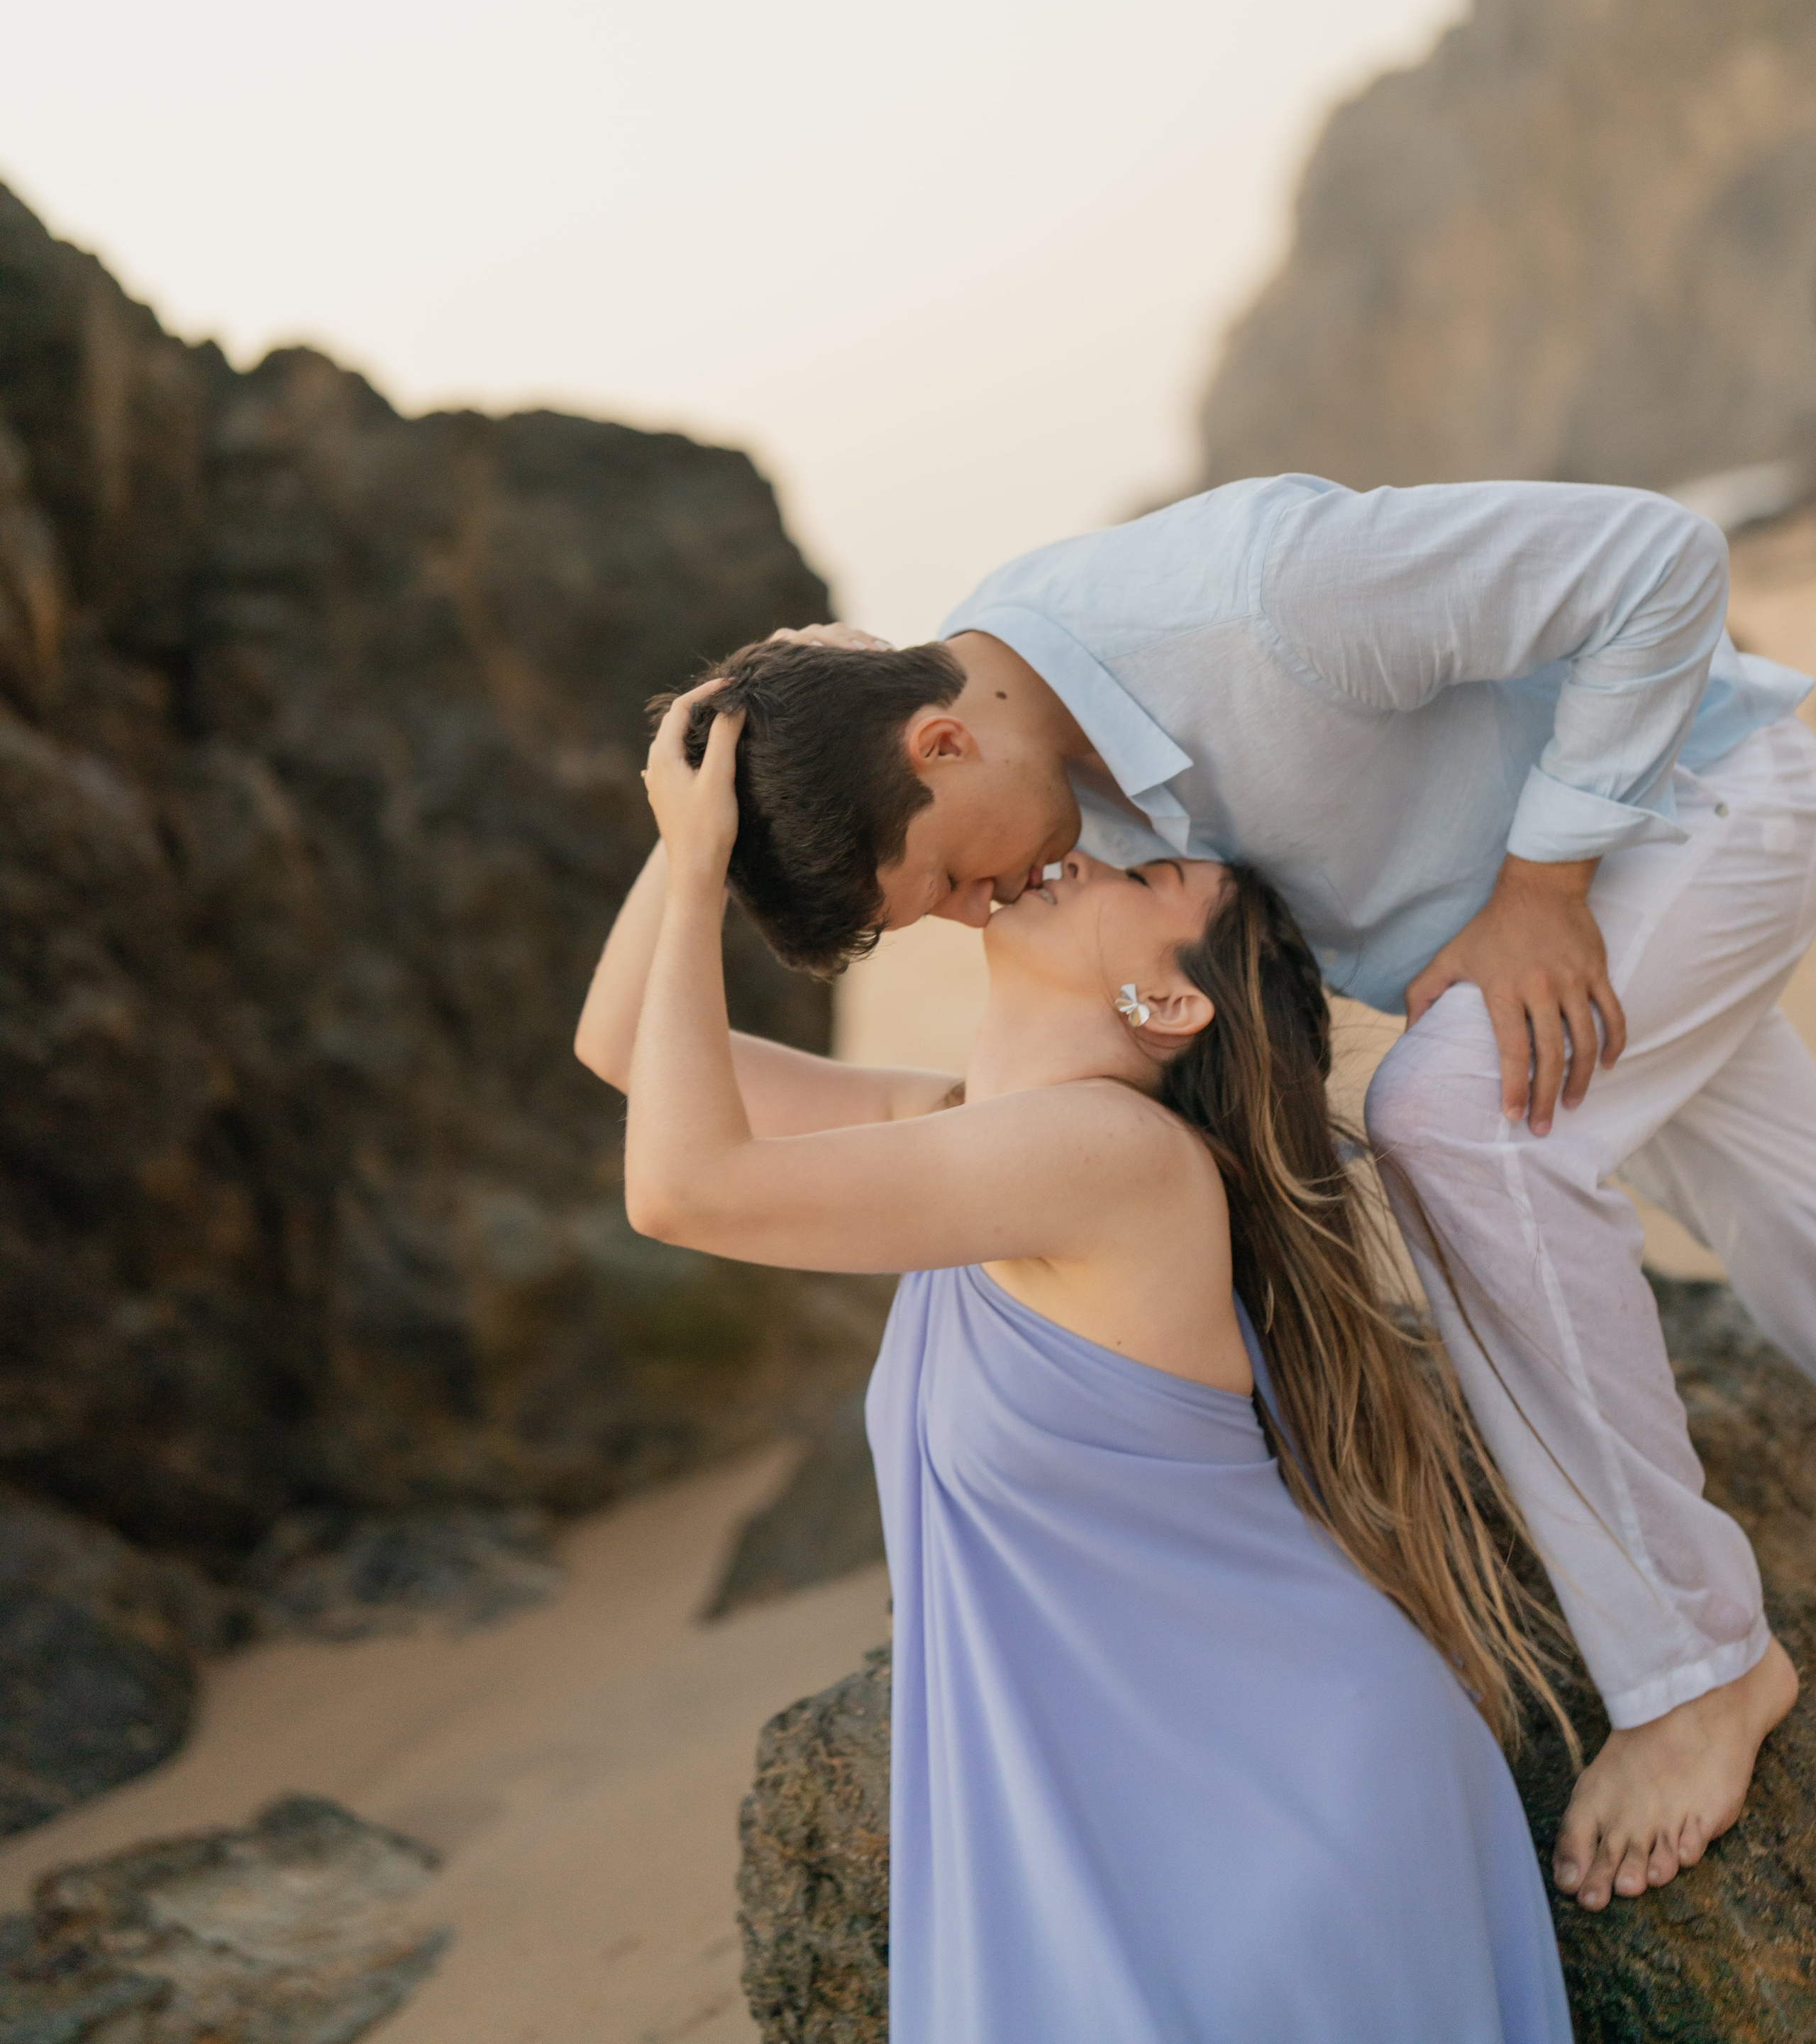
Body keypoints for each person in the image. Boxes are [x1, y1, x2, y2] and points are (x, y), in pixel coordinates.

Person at [660, 475, 1814, 1913]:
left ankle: (1698, 1668)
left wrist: (1540, 886)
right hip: (1544, 930)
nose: (978, 912)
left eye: (951, 874)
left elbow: (1654, 558)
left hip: (1693, 806)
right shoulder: (1030, 755)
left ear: (945, 739)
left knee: (1458, 1121)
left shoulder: (1257, 597)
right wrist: (696, 832)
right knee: (1784, 1205)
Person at [575, 683, 1573, 2044]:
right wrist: (719, 777)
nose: (1073, 857)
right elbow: (628, 1049)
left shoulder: (1103, 1160)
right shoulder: (971, 1133)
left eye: (1142, 873)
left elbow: (684, 1189)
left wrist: (700, 872)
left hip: (1274, 1822)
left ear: (1165, 997)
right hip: (1166, 1808)